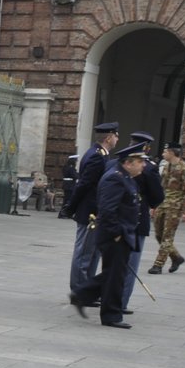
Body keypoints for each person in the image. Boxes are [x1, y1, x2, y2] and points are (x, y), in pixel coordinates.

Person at [71, 143, 148, 329]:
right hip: (115, 235)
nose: (143, 165)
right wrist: (116, 234)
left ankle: (83, 295)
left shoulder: (126, 177)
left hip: (123, 233)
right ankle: (110, 315)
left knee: (113, 274)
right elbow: (107, 210)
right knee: (115, 276)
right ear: (128, 163)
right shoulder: (115, 179)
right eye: (140, 162)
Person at [64, 121, 118, 297]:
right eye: (116, 135)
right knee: (84, 253)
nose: (117, 139)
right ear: (109, 137)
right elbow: (85, 184)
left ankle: (86, 288)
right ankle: (79, 291)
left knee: (92, 252)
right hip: (90, 211)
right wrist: (70, 207)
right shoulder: (97, 156)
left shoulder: (99, 154)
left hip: (95, 210)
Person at [118, 131, 165, 313]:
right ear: (146, 147)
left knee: (114, 263)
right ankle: (120, 302)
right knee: (131, 264)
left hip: (116, 219)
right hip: (137, 220)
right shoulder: (150, 168)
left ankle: (107, 297)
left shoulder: (117, 163)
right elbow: (157, 197)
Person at [150, 141, 185, 274]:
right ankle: (176, 257)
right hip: (163, 204)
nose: (163, 154)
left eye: (165, 152)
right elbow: (161, 187)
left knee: (167, 236)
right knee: (158, 235)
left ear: (172, 153)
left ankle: (158, 265)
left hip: (175, 207)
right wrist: (154, 205)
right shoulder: (166, 167)